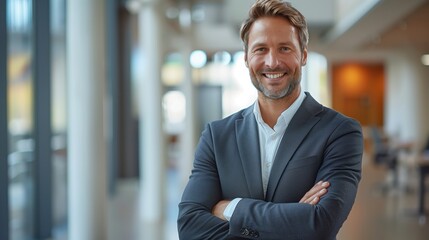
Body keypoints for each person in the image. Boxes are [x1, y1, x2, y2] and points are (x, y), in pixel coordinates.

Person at [177, 0, 363, 239]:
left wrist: (231, 207)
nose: (272, 62)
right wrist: (294, 218)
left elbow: (321, 224)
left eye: (285, 48)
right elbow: (189, 226)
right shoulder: (216, 136)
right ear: (246, 58)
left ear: (303, 55)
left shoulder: (340, 131)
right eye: (260, 49)